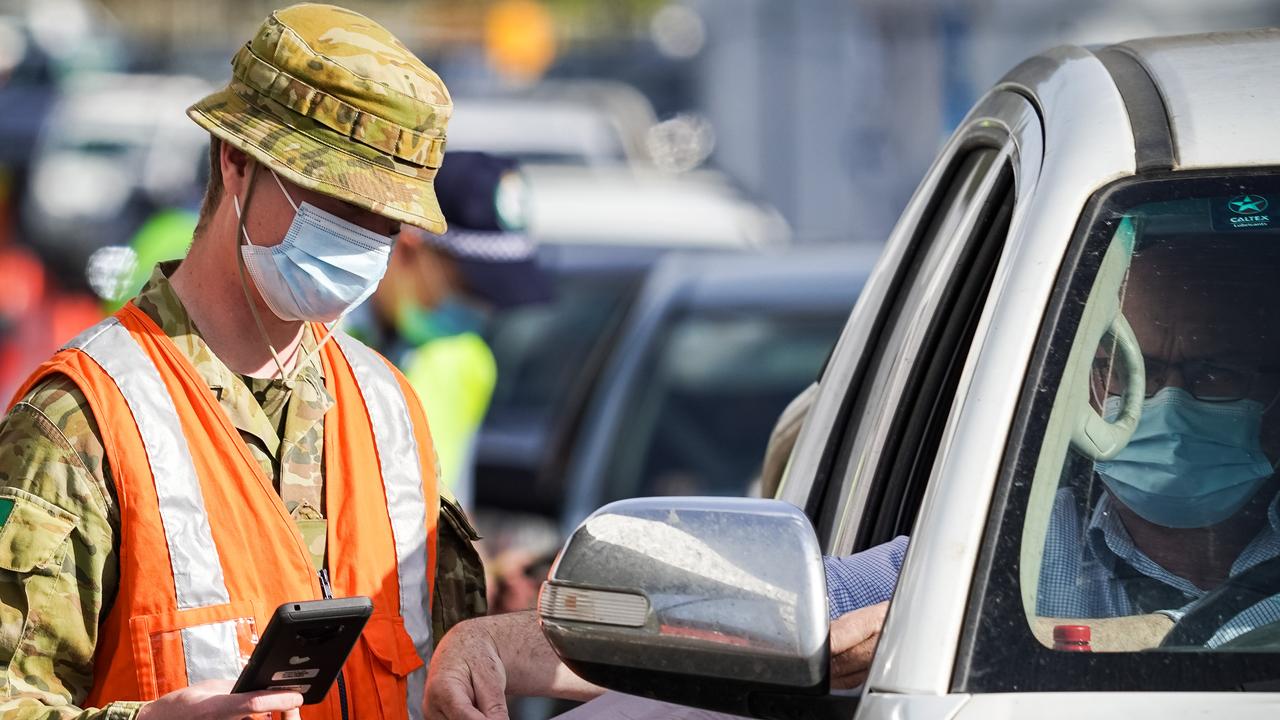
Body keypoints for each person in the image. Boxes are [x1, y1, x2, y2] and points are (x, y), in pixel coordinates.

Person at [0, 5, 484, 720]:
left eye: (386, 221)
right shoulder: (86, 420)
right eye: (337, 202)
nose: (363, 240)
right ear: (236, 162)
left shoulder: (389, 409)